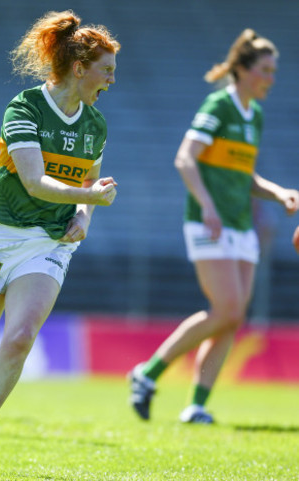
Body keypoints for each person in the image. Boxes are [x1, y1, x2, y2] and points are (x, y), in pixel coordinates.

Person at [0, 10, 120, 479]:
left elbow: (89, 181)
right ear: (80, 68)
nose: (111, 81)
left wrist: (84, 214)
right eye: (107, 70)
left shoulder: (95, 125)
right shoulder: (24, 108)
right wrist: (88, 197)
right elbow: (36, 182)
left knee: (18, 339)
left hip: (47, 242)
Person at [129, 29, 299, 424]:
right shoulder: (219, 105)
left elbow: (245, 176)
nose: (271, 79)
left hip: (241, 225)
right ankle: (148, 373)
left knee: (232, 316)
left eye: (274, 71)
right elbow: (185, 158)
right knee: (226, 309)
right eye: (265, 70)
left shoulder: (253, 114)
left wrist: (281, 193)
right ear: (241, 70)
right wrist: (207, 206)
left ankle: (197, 406)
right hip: (211, 222)